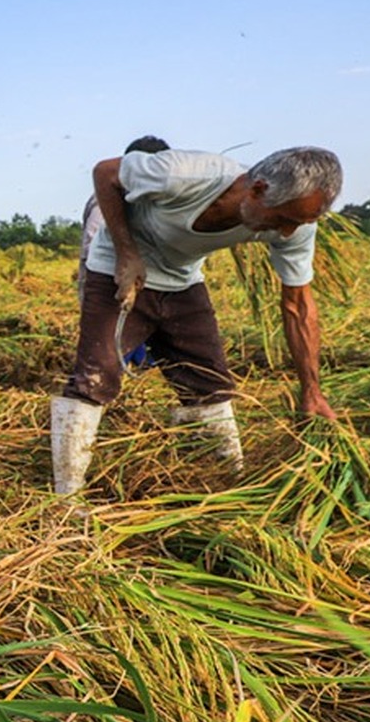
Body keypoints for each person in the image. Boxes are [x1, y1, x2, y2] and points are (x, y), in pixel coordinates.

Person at [51, 146, 343, 496]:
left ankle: (225, 481)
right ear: (259, 189)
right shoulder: (185, 174)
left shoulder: (297, 228)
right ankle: (67, 497)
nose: (286, 233)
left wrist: (311, 391)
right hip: (119, 267)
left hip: (183, 280)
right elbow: (106, 173)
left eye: (298, 223)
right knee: (96, 376)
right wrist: (127, 252)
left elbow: (298, 306)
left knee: (210, 382)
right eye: (283, 219)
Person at [77, 135, 171, 370]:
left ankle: (139, 367)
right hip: (109, 277)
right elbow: (93, 242)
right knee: (110, 338)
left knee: (139, 330)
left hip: (136, 276)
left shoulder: (149, 199)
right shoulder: (108, 198)